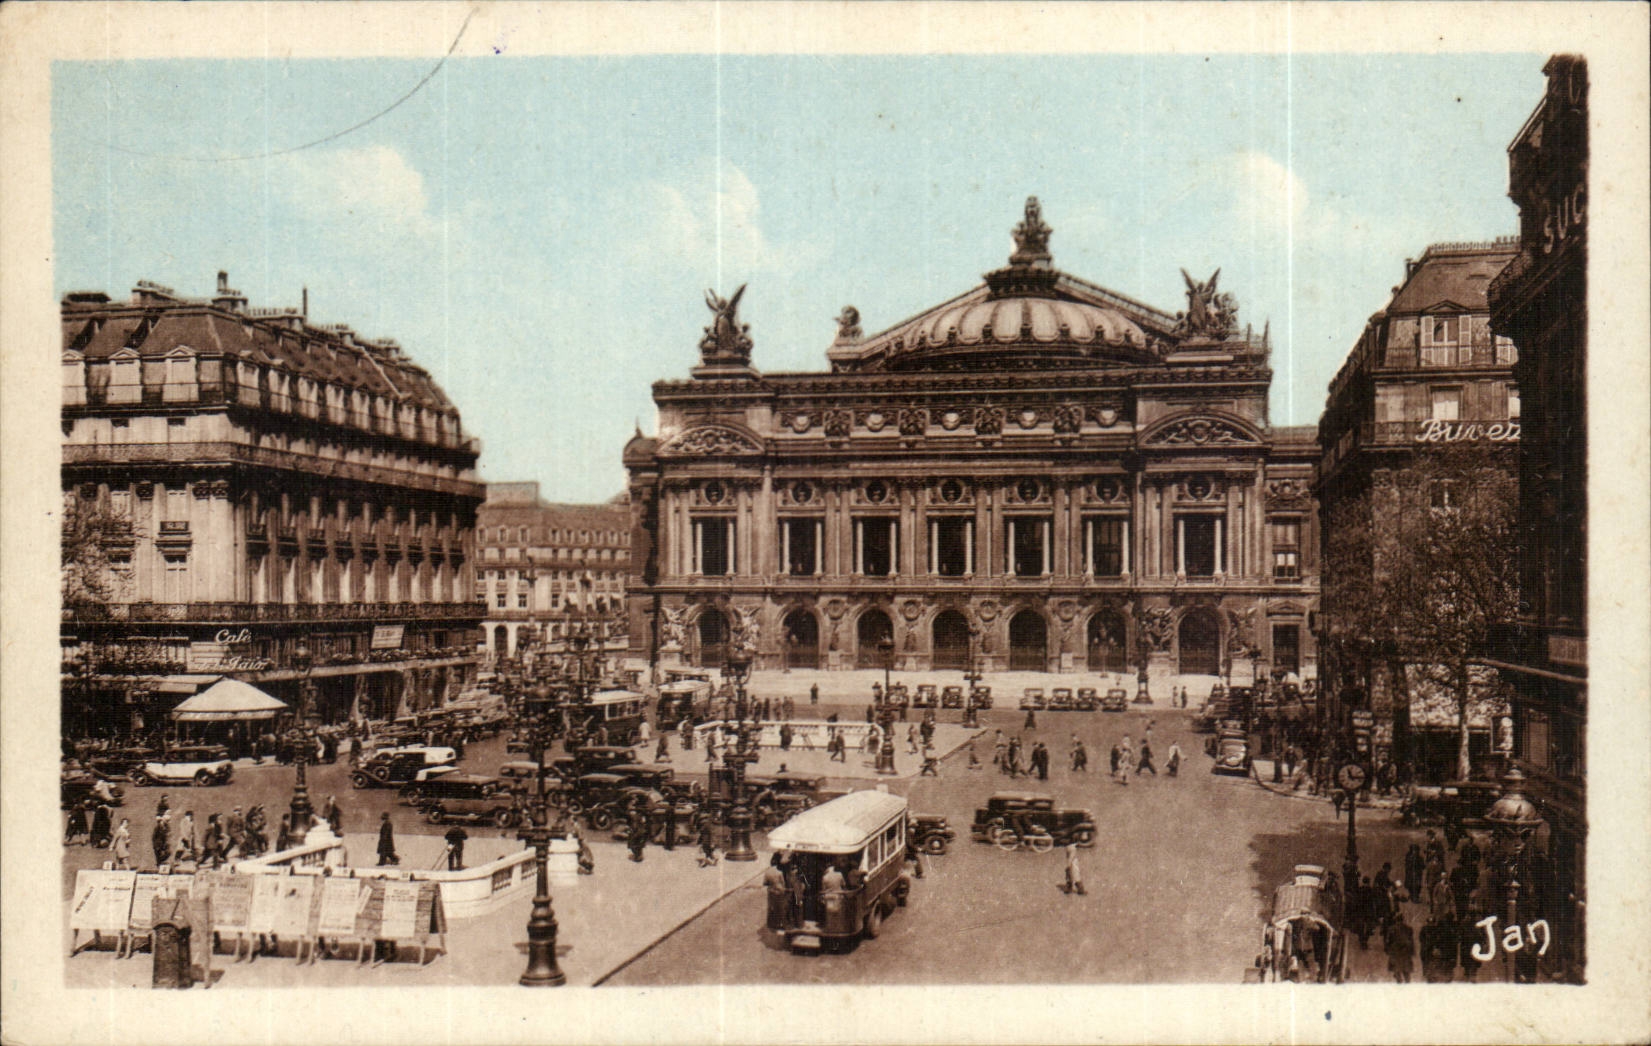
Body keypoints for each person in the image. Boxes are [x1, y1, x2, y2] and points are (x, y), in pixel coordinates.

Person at [1385, 912, 1415, 983]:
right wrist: (1412, 951)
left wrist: (1387, 949)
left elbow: (1388, 940)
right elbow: (1411, 940)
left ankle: (1399, 982)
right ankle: (1407, 982)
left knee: (1397, 968)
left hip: (1395, 950)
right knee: (1406, 968)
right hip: (1406, 951)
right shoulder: (1409, 928)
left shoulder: (1391, 929)